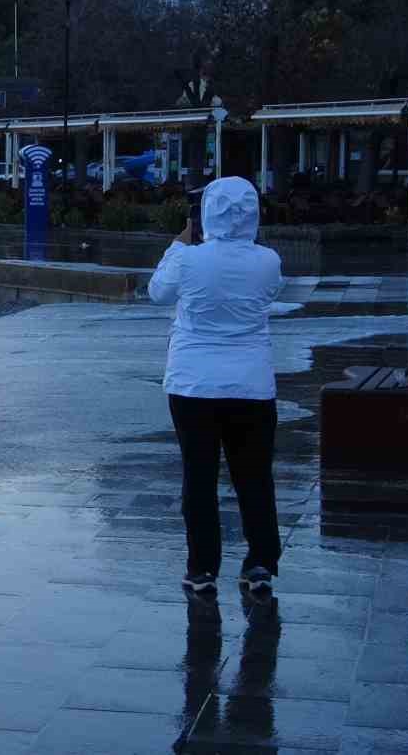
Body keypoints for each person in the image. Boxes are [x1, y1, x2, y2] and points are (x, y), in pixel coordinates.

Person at [148, 176, 284, 596]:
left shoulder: (188, 259)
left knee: (200, 477)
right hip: (252, 384)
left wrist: (178, 244)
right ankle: (260, 562)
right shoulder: (268, 260)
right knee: (255, 476)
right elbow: (268, 295)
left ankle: (202, 569)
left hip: (194, 384)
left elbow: (158, 293)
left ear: (205, 213)